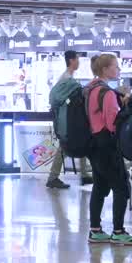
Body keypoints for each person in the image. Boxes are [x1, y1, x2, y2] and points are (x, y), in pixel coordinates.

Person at [84, 53, 132, 245]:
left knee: (100, 186)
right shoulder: (107, 93)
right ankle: (119, 231)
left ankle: (95, 229)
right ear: (105, 69)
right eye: (115, 66)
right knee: (121, 186)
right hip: (107, 144)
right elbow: (114, 123)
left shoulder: (89, 88)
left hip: (93, 143)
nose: (118, 70)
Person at [46, 51, 91, 190]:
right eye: (77, 59)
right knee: (66, 146)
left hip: (68, 118)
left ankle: (84, 174)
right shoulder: (67, 79)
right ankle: (53, 178)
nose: (78, 62)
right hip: (66, 119)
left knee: (79, 141)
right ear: (71, 60)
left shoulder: (69, 78)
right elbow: (58, 99)